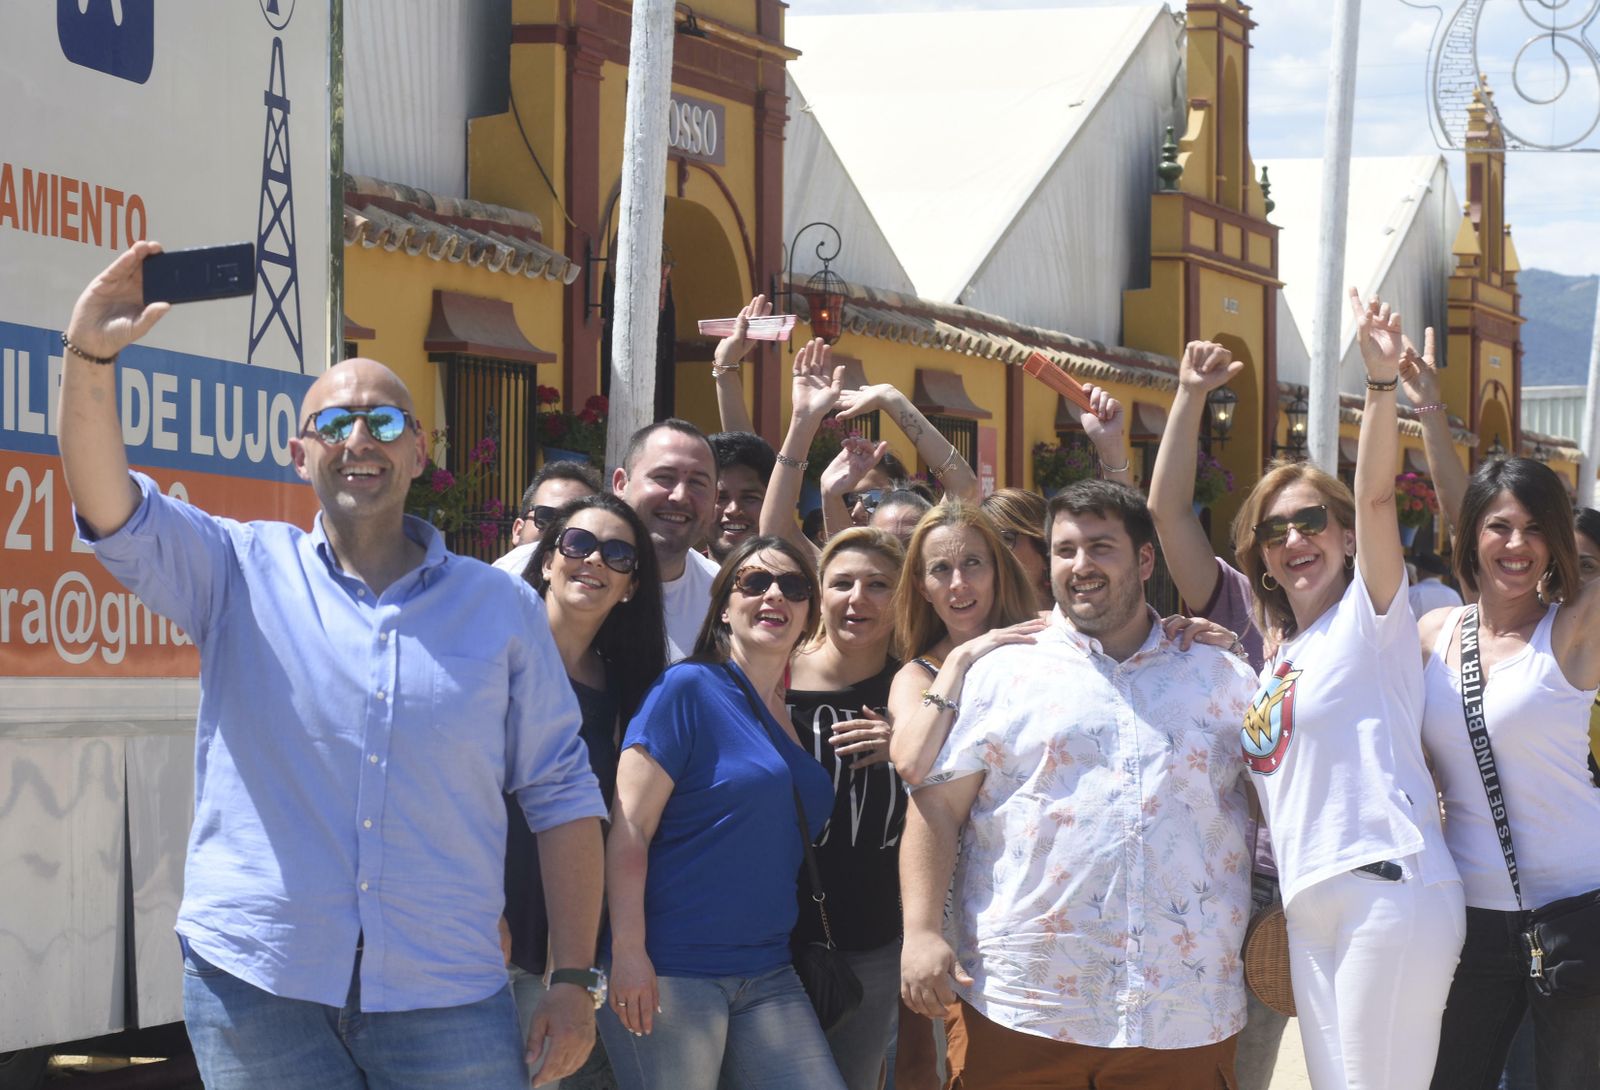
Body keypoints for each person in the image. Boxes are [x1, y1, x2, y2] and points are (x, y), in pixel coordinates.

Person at [58, 243, 607, 1089]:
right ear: (299, 452)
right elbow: (109, 507)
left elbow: (562, 795)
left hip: (444, 994)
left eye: (385, 421)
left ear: (420, 452)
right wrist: (90, 357)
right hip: (258, 987)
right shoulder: (236, 571)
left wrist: (573, 977)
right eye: (336, 424)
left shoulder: (500, 611)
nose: (361, 438)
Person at [900, 480, 1259, 1088]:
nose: (1080, 566)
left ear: (1145, 559)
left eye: (1101, 547)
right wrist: (922, 932)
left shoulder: (1221, 675)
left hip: (1183, 1007)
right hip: (1025, 1004)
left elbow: (1282, 802)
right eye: (1065, 550)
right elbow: (934, 807)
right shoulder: (1002, 673)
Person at [1230, 292, 1464, 1090]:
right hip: (1310, 903)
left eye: (1311, 522)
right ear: (1260, 556)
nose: (1295, 540)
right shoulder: (1278, 658)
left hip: (1386, 886)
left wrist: (1380, 385)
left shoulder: (1374, 615)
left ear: (1341, 534)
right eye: (1274, 530)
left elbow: (1374, 498)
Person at [600, 536, 847, 1090]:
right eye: (755, 582)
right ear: (724, 605)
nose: (774, 595)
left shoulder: (791, 714)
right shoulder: (686, 688)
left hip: (768, 969)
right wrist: (630, 953)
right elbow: (631, 829)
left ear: (809, 612)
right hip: (671, 966)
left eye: (794, 586)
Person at [1420, 460, 1600, 1090]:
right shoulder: (1434, 634)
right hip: (1466, 919)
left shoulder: (1576, 625)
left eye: (1534, 528)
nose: (1516, 545)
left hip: (1577, 914)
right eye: (1498, 526)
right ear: (1470, 534)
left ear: (1555, 539)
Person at [506, 494, 669, 1087]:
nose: (594, 560)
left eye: (618, 553)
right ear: (548, 559)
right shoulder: (495, 650)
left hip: (556, 948)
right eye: (577, 543)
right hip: (472, 931)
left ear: (630, 586)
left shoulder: (630, 688)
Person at [785, 527, 907, 1090]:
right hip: (770, 941)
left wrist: (907, 745)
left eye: (879, 584)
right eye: (842, 583)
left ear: (903, 596)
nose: (858, 598)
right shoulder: (773, 675)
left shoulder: (920, 686)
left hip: (874, 942)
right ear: (818, 592)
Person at [885, 502, 1045, 788]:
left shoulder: (1044, 635)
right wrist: (960, 659)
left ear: (998, 570)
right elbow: (910, 764)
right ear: (923, 588)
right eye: (941, 569)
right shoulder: (917, 676)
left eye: (972, 563)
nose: (958, 583)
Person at [611, 419, 720, 661]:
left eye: (697, 483)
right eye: (664, 477)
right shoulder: (558, 571)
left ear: (715, 501)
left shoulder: (722, 595)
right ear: (621, 483)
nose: (680, 496)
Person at [496, 460, 603, 574]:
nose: (560, 535)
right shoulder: (490, 586)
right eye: (547, 517)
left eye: (579, 526)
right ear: (518, 530)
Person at [707, 430, 776, 561]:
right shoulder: (666, 578)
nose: (733, 510)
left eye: (749, 498)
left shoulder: (793, 579)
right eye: (720, 497)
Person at [980, 489, 1051, 611]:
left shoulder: (1080, 619)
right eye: (984, 542)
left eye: (1006, 539)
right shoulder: (972, 622)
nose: (993, 553)